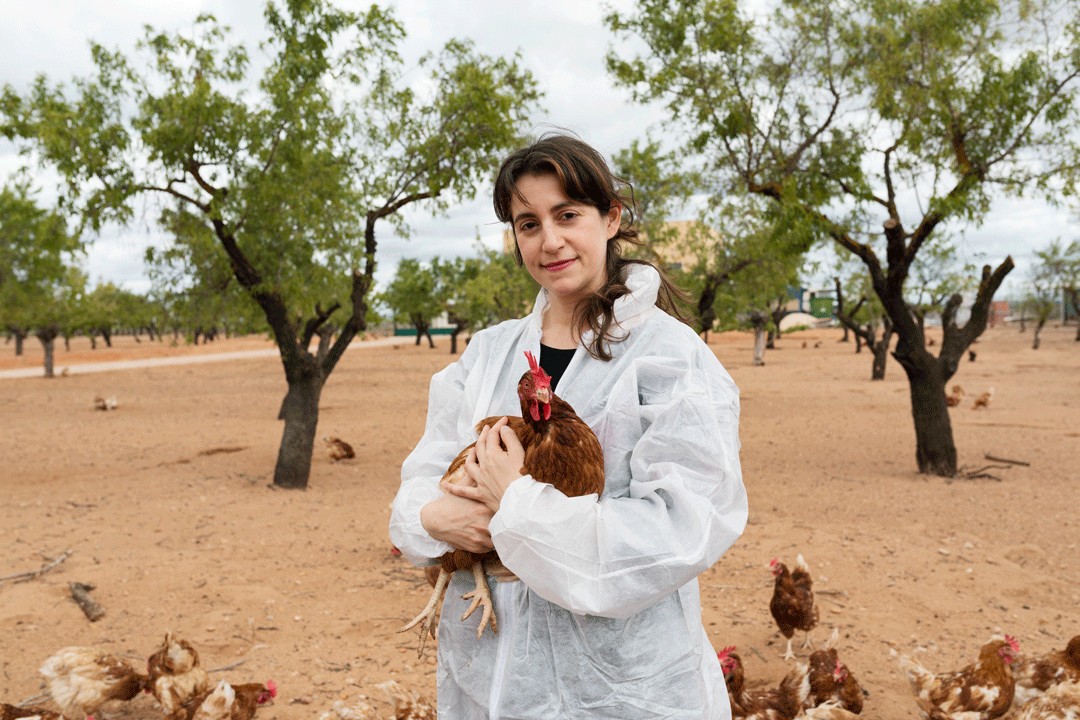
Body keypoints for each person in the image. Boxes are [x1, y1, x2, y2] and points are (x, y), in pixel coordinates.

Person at [390, 134, 748, 719]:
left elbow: (680, 531)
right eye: (528, 223)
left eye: (567, 215)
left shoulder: (669, 358)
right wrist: (431, 517)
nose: (549, 240)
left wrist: (517, 504)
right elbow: (424, 478)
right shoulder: (488, 354)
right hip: (488, 680)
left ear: (610, 218)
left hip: (620, 691)